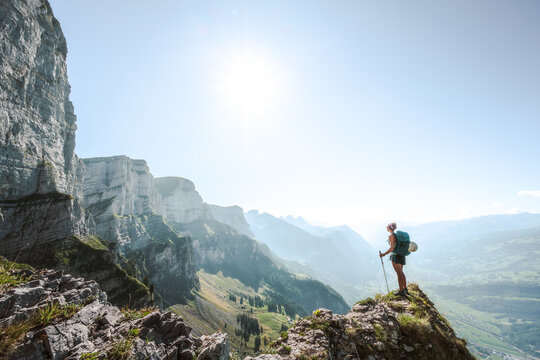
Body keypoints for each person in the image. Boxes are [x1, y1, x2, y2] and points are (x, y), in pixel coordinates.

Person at [379, 222, 408, 296]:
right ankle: (405, 288)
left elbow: (392, 248)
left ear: (390, 228)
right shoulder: (397, 236)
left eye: (387, 226)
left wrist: (383, 254)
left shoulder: (391, 236)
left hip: (396, 256)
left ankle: (401, 291)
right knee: (401, 272)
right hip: (401, 255)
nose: (386, 227)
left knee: (398, 273)